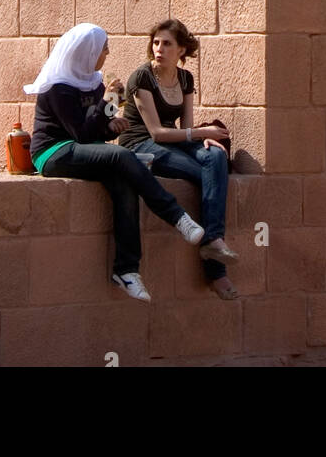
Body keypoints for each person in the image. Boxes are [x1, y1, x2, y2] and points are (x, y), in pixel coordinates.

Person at [24, 22, 205, 302]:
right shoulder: (57, 87)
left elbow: (96, 129)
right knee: (122, 155)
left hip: (83, 149)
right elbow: (81, 133)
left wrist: (112, 125)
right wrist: (109, 100)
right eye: (103, 49)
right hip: (53, 153)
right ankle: (176, 216)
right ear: (87, 52)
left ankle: (127, 270)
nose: (106, 54)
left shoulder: (93, 81)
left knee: (125, 183)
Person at [118, 18, 238, 301]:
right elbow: (157, 133)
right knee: (206, 174)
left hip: (175, 139)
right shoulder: (141, 77)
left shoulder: (185, 79)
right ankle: (216, 269)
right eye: (156, 42)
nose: (159, 48)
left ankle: (212, 242)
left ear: (181, 50)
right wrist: (200, 132)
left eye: (167, 43)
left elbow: (186, 125)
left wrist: (204, 138)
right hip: (142, 145)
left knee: (215, 157)